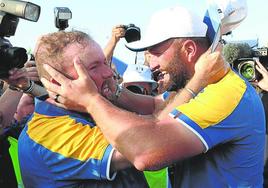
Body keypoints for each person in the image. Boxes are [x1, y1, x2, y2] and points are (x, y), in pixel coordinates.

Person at [42, 5, 265, 188]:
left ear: (188, 50)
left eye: (156, 52)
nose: (151, 63)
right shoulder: (196, 83)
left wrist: (91, 100)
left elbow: (146, 153)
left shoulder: (225, 93)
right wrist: (115, 93)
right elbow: (157, 105)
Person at [18, 31, 149, 188]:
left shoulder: (85, 109)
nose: (108, 73)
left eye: (105, 63)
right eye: (94, 67)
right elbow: (148, 148)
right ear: (59, 82)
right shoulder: (51, 132)